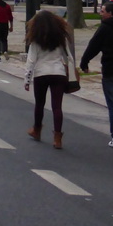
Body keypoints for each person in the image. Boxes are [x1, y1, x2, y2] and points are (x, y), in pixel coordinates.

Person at [80, 1, 113, 148]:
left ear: (110, 13)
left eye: (102, 11)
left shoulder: (104, 28)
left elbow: (93, 46)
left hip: (110, 70)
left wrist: (84, 62)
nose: (100, 13)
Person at [23, 10, 74, 149]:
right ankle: (57, 138)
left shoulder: (35, 40)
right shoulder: (60, 38)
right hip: (58, 73)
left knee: (39, 104)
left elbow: (31, 61)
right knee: (57, 107)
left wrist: (27, 80)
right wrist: (72, 74)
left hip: (41, 74)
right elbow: (68, 57)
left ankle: (37, 130)